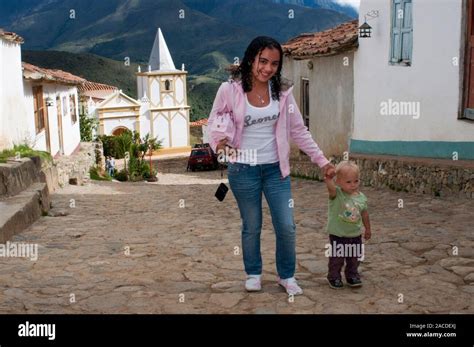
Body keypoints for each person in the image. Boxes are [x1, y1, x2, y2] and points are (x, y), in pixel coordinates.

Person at [208, 36, 335, 295]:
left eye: (274, 64)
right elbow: (214, 122)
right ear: (250, 59)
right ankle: (253, 273)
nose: (267, 68)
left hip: (276, 169)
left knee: (286, 226)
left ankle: (286, 276)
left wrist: (322, 161)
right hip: (243, 169)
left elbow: (299, 131)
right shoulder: (229, 90)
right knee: (251, 225)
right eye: (262, 61)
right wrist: (220, 146)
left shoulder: (283, 92)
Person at [324, 161, 371, 289]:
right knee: (337, 258)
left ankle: (352, 275)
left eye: (356, 181)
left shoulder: (361, 198)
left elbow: (365, 214)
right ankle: (334, 276)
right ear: (338, 182)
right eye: (348, 182)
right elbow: (331, 188)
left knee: (354, 258)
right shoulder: (337, 194)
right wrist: (329, 178)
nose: (353, 185)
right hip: (338, 234)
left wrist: (368, 229)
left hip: (355, 234)